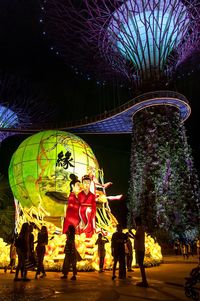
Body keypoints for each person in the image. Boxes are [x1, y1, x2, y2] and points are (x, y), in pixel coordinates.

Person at [130, 216, 148, 287]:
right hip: (140, 248)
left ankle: (144, 281)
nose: (135, 223)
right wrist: (130, 235)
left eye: (135, 221)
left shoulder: (140, 228)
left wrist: (131, 233)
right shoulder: (139, 228)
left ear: (138, 222)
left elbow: (136, 237)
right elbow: (137, 238)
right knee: (141, 265)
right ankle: (144, 280)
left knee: (141, 265)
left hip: (140, 249)